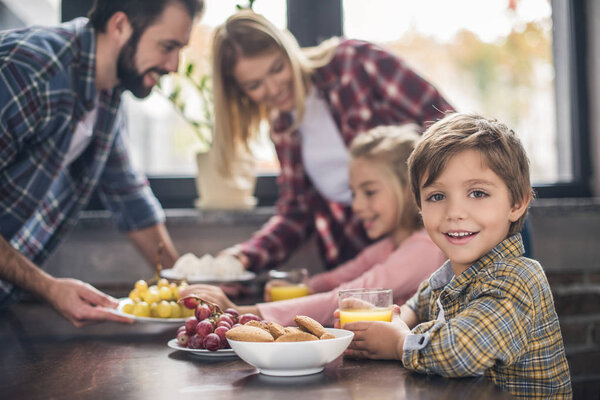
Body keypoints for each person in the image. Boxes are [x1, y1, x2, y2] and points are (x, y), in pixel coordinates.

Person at [337, 113, 572, 399]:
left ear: (517, 202)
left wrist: (399, 342)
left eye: (477, 193)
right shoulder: (450, 277)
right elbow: (416, 306)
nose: (454, 213)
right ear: (419, 207)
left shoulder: (517, 279)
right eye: (437, 197)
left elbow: (461, 351)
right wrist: (385, 318)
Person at [0, 0, 204, 327]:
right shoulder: (26, 70)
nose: (174, 65)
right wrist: (48, 288)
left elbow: (130, 199)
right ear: (120, 25)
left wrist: (188, 292)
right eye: (168, 46)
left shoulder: (105, 94)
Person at [209, 10, 454, 272]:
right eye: (254, 85)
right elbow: (296, 213)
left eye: (277, 68)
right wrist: (244, 257)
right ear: (240, 93)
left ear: (289, 50)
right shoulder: (282, 129)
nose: (272, 88)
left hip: (429, 242)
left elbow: (449, 129)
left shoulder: (354, 63)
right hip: (360, 259)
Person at [181, 125, 446, 327]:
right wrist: (297, 287)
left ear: (409, 191)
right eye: (354, 193)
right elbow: (335, 280)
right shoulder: (389, 246)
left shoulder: (424, 248)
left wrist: (248, 312)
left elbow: (345, 297)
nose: (357, 206)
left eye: (369, 192)